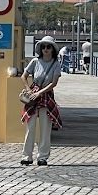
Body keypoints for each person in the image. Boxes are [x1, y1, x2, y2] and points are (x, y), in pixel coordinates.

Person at [20, 36, 62, 166]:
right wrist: (29, 89)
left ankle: (42, 157)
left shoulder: (56, 64)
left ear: (53, 49)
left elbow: (54, 83)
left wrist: (40, 92)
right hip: (33, 96)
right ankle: (27, 156)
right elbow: (24, 76)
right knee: (30, 126)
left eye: (48, 47)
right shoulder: (35, 61)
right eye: (43, 46)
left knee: (45, 128)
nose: (45, 49)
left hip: (46, 96)